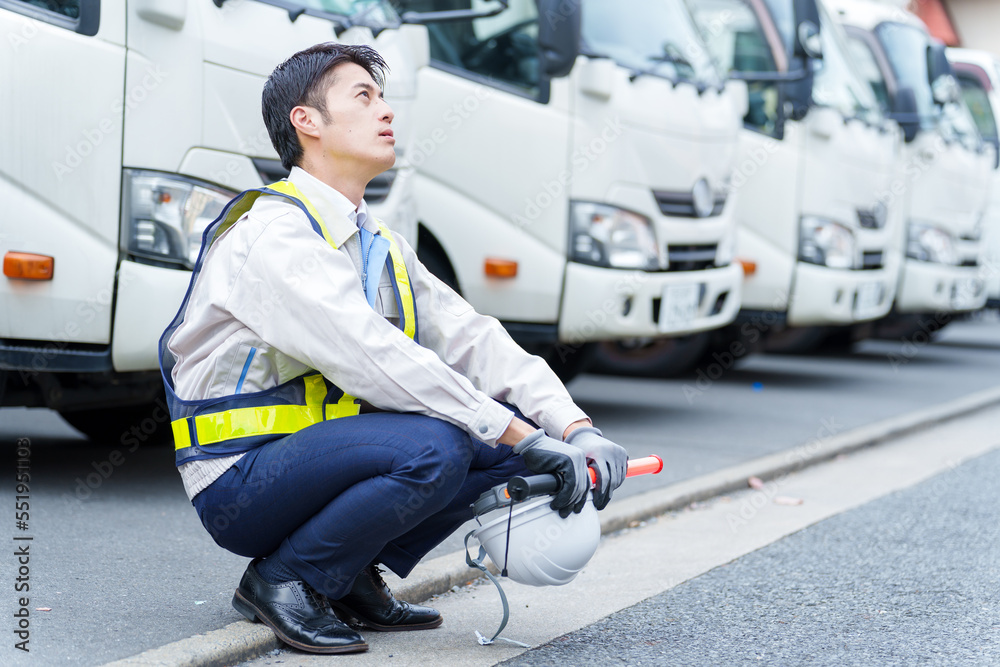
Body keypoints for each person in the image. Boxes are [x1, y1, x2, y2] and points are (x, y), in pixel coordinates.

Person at [159, 42, 628, 655]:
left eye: (382, 97)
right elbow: (373, 355)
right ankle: (283, 579)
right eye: (364, 96)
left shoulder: (374, 240)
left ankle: (346, 574)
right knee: (442, 444)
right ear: (307, 122)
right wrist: (520, 432)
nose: (386, 111)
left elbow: (473, 336)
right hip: (240, 478)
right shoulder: (275, 236)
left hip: (315, 464)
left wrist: (571, 428)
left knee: (510, 451)